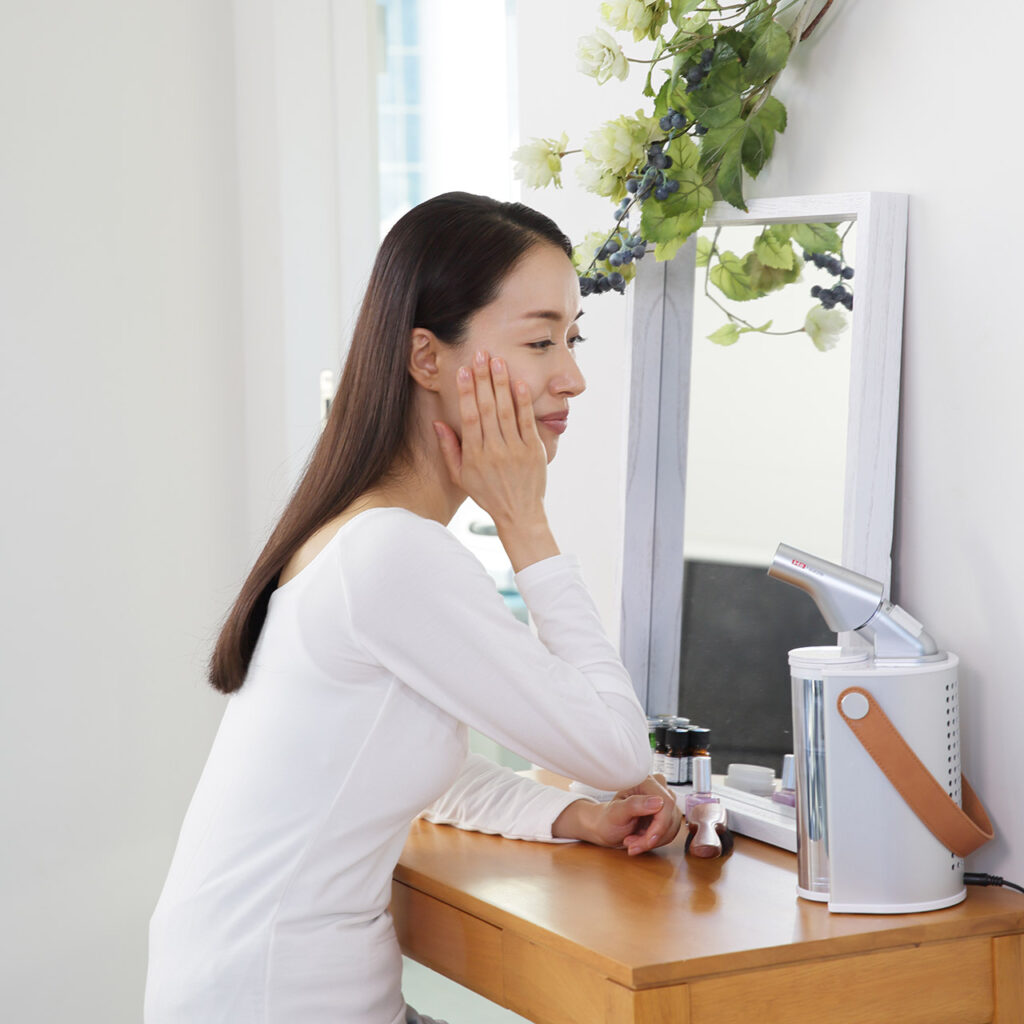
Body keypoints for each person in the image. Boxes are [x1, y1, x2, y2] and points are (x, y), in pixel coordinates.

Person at [145, 192, 682, 1024]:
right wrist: (526, 525)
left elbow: (410, 774)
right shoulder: (391, 553)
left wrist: (573, 815)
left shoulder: (362, 534)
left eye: (571, 339)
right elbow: (617, 750)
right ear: (426, 358)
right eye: (540, 341)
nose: (571, 377)